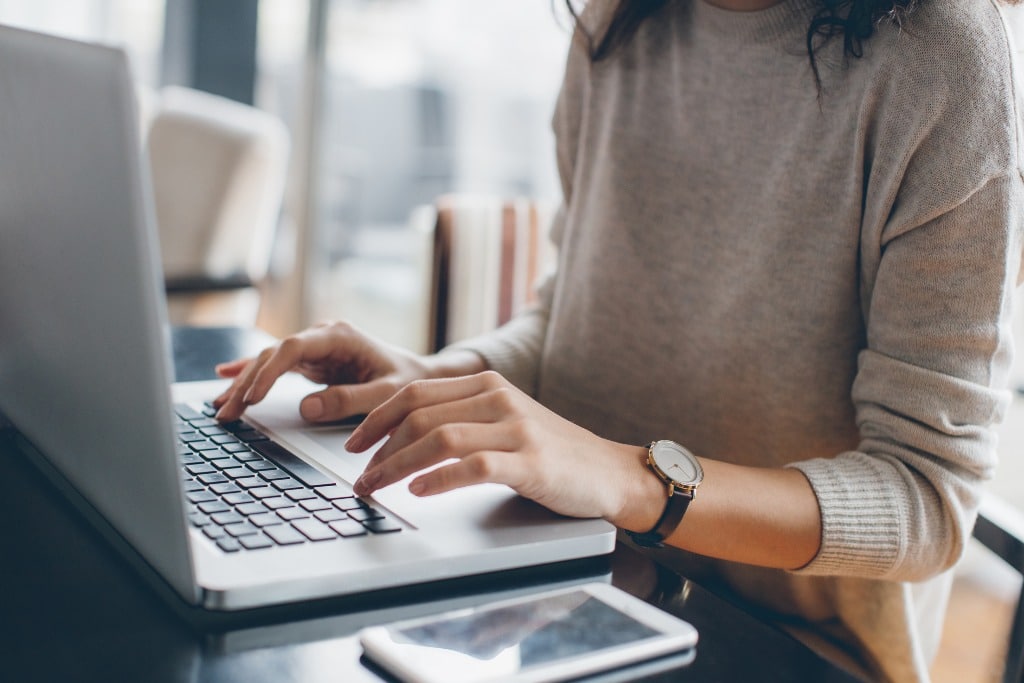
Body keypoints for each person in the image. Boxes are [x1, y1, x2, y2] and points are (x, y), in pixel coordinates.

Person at [214, 0, 1024, 679]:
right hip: (568, 584)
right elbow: (571, 314)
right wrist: (436, 376)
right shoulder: (618, 18)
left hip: (785, 648)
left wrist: (635, 479)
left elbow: (928, 497)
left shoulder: (943, 58)